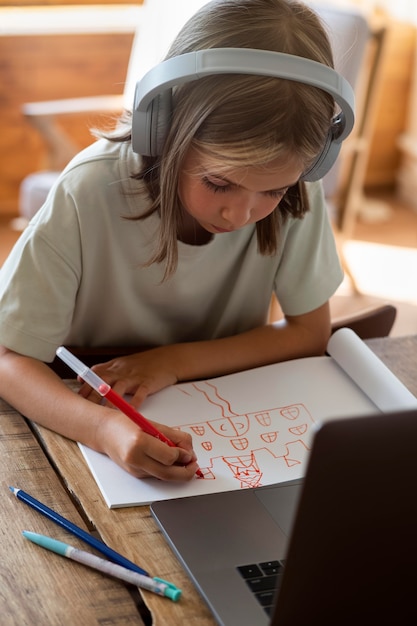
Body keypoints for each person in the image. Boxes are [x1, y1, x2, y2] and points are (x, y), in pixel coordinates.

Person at [0, 0, 349, 481]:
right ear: (162, 129)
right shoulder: (87, 190)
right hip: (85, 415)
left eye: (272, 190)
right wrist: (105, 430)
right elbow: (9, 359)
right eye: (219, 183)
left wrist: (172, 362)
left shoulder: (297, 190)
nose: (240, 213)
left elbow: (309, 332)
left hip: (223, 414)